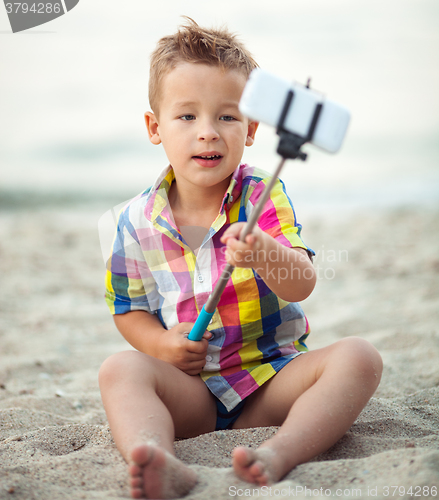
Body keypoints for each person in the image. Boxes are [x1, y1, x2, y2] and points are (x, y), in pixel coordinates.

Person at [99, 17, 383, 500]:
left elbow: (301, 284)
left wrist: (265, 253)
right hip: (194, 396)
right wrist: (162, 348)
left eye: (227, 117)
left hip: (271, 381)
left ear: (251, 129)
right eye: (187, 117)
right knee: (118, 370)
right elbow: (128, 310)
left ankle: (280, 452)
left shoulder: (261, 196)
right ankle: (160, 458)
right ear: (154, 127)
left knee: (360, 357)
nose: (207, 133)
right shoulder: (134, 221)